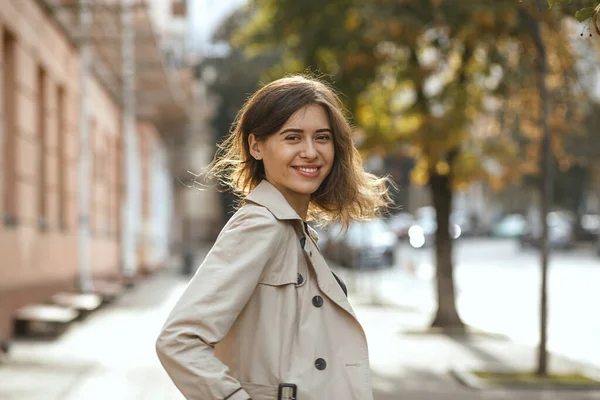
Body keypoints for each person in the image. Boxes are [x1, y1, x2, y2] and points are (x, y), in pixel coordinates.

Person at [156, 75, 393, 400]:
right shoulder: (260, 224)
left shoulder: (293, 228)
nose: (310, 152)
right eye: (292, 137)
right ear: (256, 146)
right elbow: (179, 340)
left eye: (322, 137)